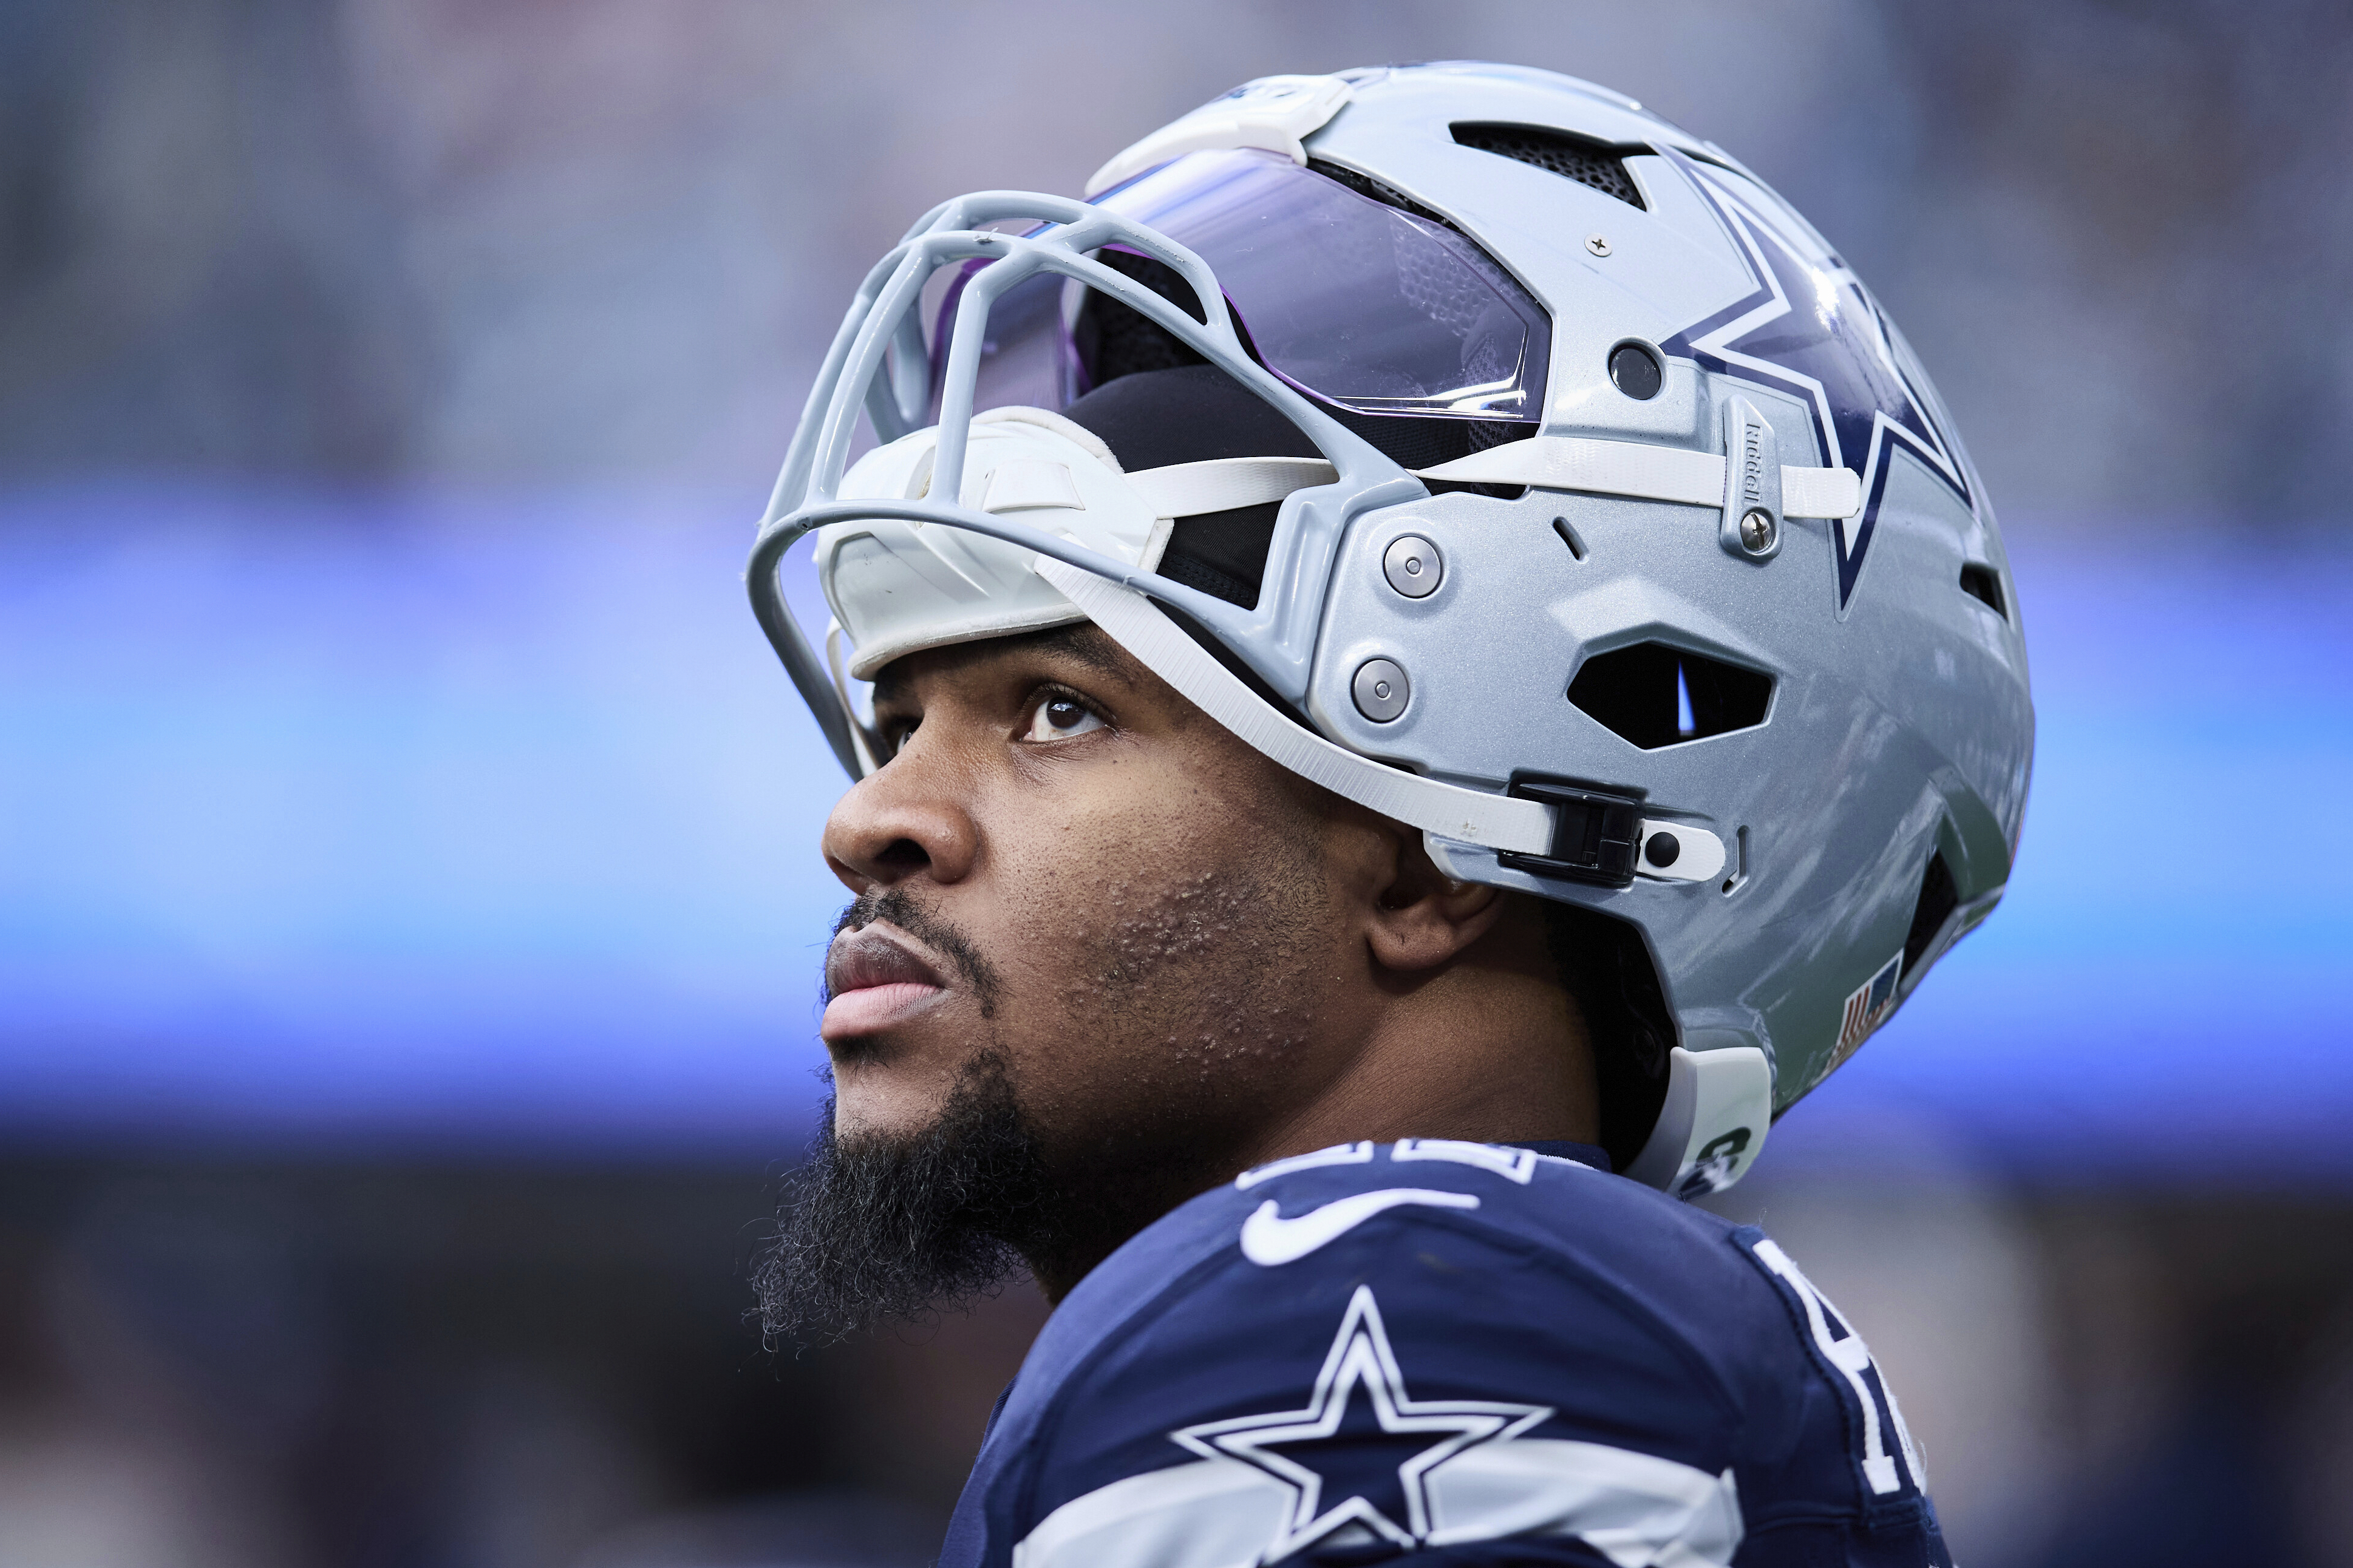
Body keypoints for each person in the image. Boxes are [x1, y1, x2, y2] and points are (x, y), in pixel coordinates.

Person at [744, 63, 2032, 1568]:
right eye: (900, 720)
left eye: (1060, 708)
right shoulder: (1554, 1310)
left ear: (1436, 853)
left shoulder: (1376, 1310)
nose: (871, 818)